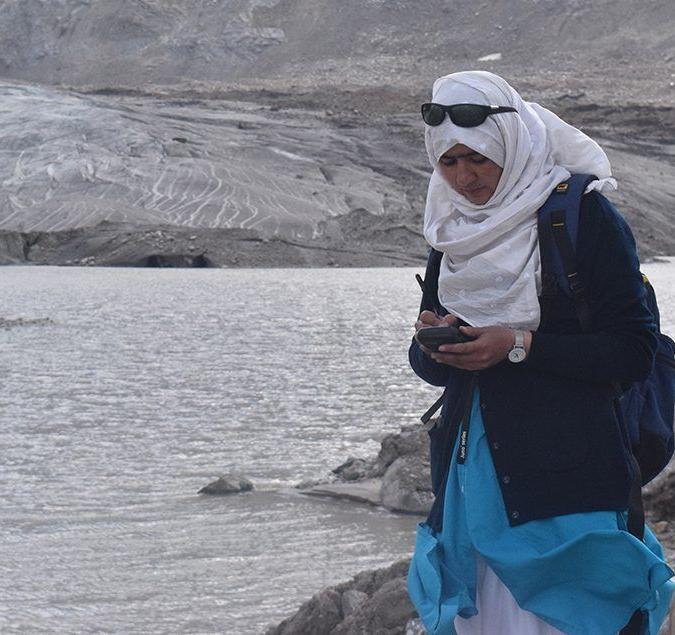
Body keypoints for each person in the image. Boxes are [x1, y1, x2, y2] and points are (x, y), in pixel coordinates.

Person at [406, 71, 674, 635]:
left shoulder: (582, 218)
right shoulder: (452, 230)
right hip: (472, 474)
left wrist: (520, 345)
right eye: (449, 163)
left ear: (511, 142)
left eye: (477, 158)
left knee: (575, 614)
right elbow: (433, 372)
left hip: (565, 476)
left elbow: (632, 352)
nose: (465, 177)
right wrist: (435, 342)